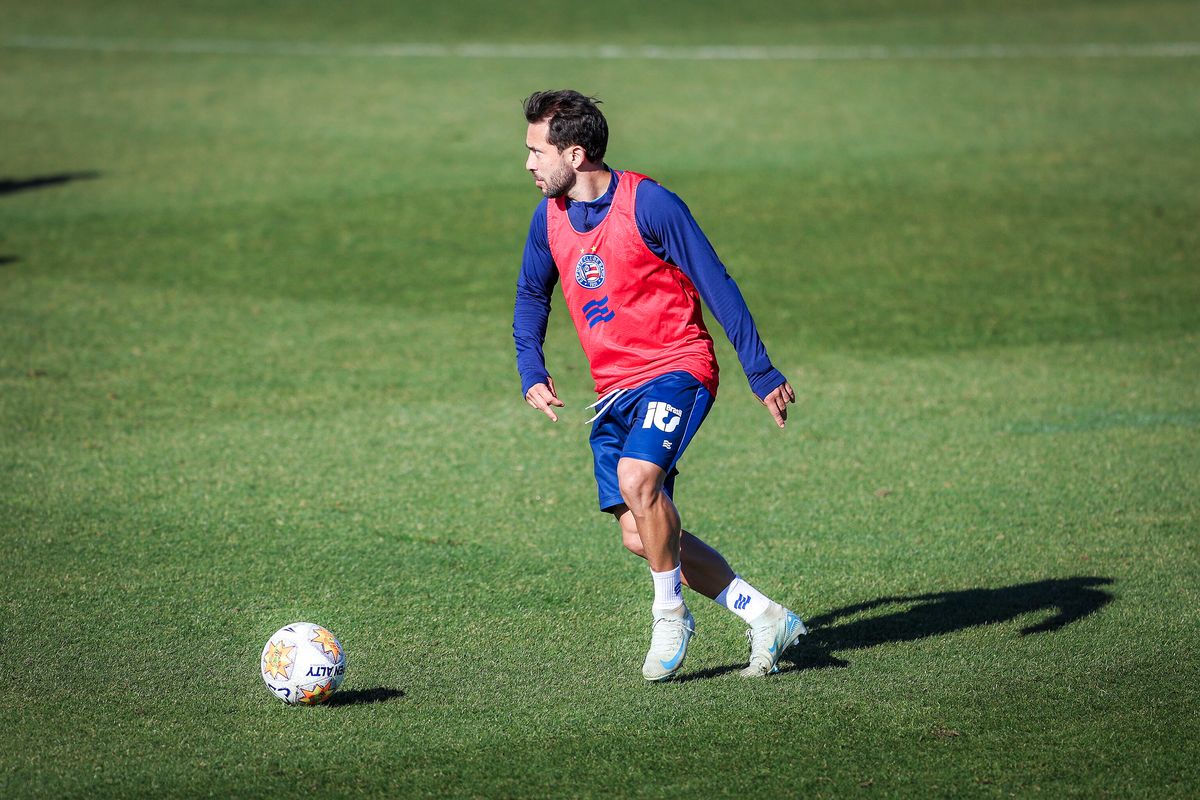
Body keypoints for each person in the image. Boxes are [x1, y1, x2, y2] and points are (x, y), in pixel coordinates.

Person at [512, 89, 806, 681]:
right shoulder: (549, 218)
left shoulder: (651, 205)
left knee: (636, 479)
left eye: (535, 151)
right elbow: (530, 294)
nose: (527, 164)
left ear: (575, 154)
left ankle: (669, 615)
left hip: (677, 368)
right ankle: (767, 617)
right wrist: (531, 369)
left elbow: (716, 281)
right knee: (640, 533)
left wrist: (760, 370)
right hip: (613, 389)